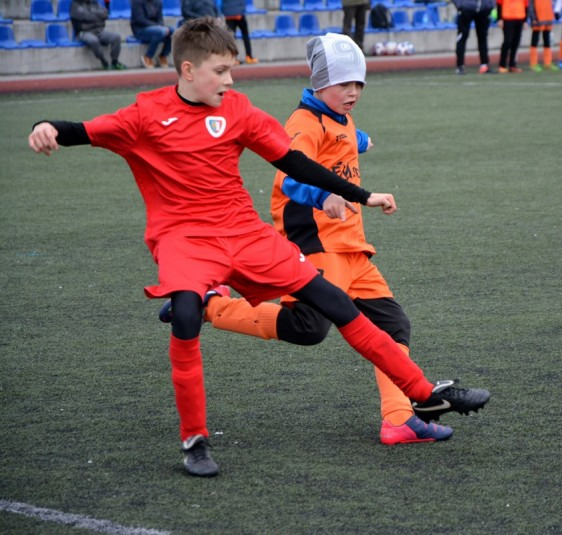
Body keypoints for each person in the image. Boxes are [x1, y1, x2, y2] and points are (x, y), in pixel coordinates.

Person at [27, 18, 490, 478]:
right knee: (186, 314)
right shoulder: (146, 114)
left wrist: (361, 195)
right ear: (188, 70)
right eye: (220, 71)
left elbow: (294, 163)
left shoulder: (238, 110)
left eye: (231, 70)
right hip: (185, 239)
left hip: (245, 234)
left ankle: (424, 395)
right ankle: (195, 440)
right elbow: (82, 130)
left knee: (335, 304)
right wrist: (45, 126)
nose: (230, 80)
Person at [159, 32, 456, 445]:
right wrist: (325, 195)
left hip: (353, 247)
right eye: (343, 84)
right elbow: (290, 176)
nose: (353, 93)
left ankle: (399, 419)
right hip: (318, 243)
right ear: (320, 83)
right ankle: (210, 306)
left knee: (392, 324)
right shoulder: (303, 124)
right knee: (308, 327)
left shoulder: (340, 117)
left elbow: (345, 138)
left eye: (359, 84)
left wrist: (362, 141)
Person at [70, 0, 126, 70]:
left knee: (116, 37)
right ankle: (103, 61)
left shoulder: (94, 2)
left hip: (99, 31)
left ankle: (115, 62)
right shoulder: (75, 4)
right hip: (84, 32)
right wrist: (97, 16)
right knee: (94, 40)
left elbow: (105, 14)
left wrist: (92, 15)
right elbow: (85, 16)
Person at [454, 0, 495, 75]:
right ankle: (460, 65)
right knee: (462, 37)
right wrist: (460, 5)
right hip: (466, 8)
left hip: (483, 9)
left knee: (483, 37)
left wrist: (490, 5)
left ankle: (484, 65)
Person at [130, 0, 174, 68]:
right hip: (140, 29)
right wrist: (158, 27)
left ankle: (163, 55)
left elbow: (160, 19)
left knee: (173, 31)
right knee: (160, 32)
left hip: (157, 27)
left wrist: (161, 26)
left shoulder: (158, 2)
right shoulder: (137, 2)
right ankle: (148, 56)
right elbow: (140, 19)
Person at [496, 0, 527, 73]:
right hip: (507, 18)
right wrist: (499, 18)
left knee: (516, 42)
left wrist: (525, 21)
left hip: (519, 17)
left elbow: (526, 5)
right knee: (507, 41)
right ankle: (502, 65)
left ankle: (512, 65)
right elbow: (499, 3)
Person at [527, 0, 557, 71]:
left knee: (547, 40)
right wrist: (533, 18)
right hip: (538, 19)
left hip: (548, 18)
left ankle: (548, 63)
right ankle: (533, 63)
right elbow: (531, 6)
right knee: (535, 40)